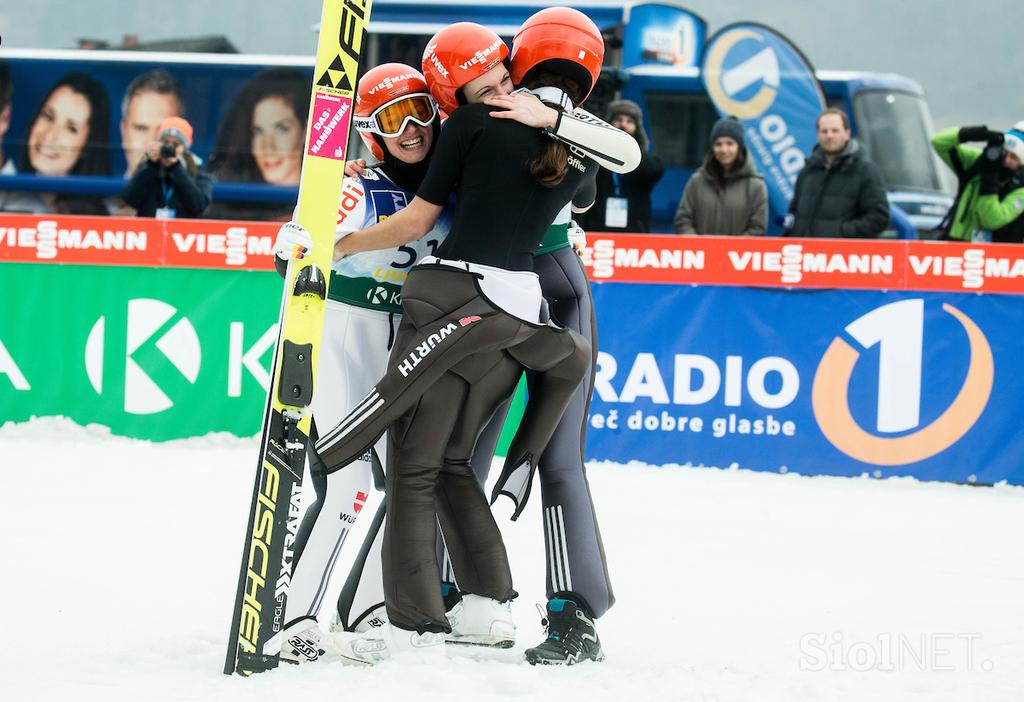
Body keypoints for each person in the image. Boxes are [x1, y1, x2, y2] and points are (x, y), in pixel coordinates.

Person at [327, 18, 639, 667]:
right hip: (525, 286)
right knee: (467, 454)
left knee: (519, 456)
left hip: (531, 289)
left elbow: (602, 172)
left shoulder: (549, 125)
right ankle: (461, 600)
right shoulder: (506, 123)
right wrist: (367, 166)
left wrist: (550, 119)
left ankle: (561, 608)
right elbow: (424, 182)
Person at [272, 63, 453, 665]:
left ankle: (370, 606)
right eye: (393, 119)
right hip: (350, 330)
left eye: (419, 112)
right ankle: (297, 614)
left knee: (405, 483)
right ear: (373, 132)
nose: (411, 129)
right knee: (351, 483)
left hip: (411, 341)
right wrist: (295, 245)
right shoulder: (361, 187)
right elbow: (298, 240)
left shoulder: (451, 187)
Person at [207, 68, 309, 220]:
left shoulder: (332, 204)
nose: (268, 147)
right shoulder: (227, 207)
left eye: (282, 128)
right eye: (258, 131)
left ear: (305, 131)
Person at [4, 73, 112, 214]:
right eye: (48, 116)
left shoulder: (105, 221)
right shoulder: (7, 194)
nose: (50, 135)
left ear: (87, 146)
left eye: (71, 128)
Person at [785, 107, 889, 238]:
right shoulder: (807, 172)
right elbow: (793, 216)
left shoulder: (866, 171)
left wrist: (841, 233)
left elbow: (879, 218)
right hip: (807, 255)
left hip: (842, 256)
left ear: (847, 133)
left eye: (835, 130)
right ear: (817, 134)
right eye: (824, 131)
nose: (829, 135)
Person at [577, 99, 663, 233]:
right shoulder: (595, 153)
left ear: (637, 127)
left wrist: (630, 150)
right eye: (618, 119)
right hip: (595, 230)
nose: (623, 124)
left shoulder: (645, 159)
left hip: (634, 232)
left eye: (629, 121)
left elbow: (656, 170)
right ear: (609, 122)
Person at [673, 116, 768, 235]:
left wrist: (728, 251)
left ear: (739, 147)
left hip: (736, 253)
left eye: (730, 143)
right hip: (700, 252)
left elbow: (757, 228)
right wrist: (699, 247)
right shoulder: (697, 181)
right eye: (718, 144)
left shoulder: (756, 186)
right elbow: (683, 220)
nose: (723, 149)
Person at [931, 122, 1024, 243]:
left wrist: (990, 176)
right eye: (1004, 153)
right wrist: (976, 134)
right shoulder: (978, 161)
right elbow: (938, 142)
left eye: (1014, 157)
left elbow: (991, 220)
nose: (1006, 160)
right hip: (954, 243)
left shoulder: (1020, 188)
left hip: (994, 255)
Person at [121, 116, 211, 218]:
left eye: (175, 144)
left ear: (185, 148)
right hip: (149, 229)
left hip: (181, 232)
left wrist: (176, 168)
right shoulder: (148, 164)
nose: (169, 147)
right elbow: (129, 198)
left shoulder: (196, 167)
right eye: (165, 142)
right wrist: (151, 165)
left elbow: (199, 205)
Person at [119, 69, 185, 176]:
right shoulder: (97, 191)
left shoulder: (202, 190)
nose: (151, 142)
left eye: (163, 130)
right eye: (141, 129)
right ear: (123, 132)